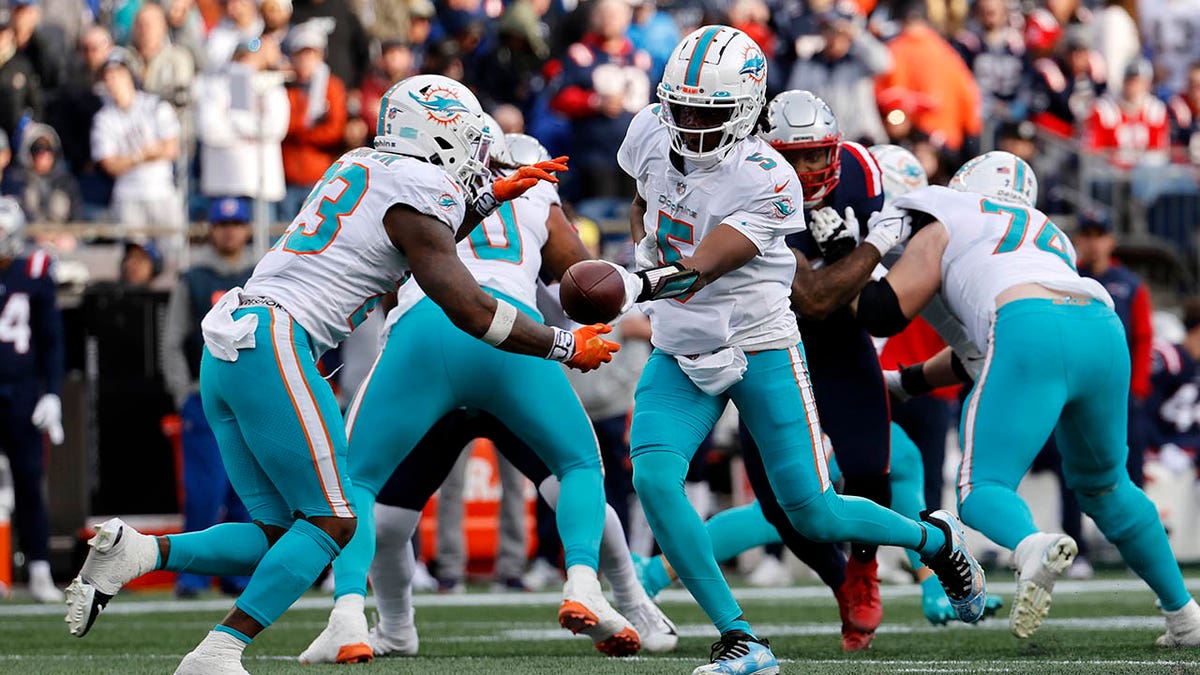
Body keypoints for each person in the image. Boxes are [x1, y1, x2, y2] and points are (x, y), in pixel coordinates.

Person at [64, 74, 617, 674]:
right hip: (276, 342)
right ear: (436, 137)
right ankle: (218, 653)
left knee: (282, 533)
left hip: (235, 341)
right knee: (333, 520)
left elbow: (407, 239)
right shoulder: (417, 186)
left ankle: (139, 553)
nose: (474, 159)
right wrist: (564, 344)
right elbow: (470, 307)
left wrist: (486, 201)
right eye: (465, 142)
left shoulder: (364, 164)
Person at [607, 26, 986, 675]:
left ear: (748, 111)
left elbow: (703, 264)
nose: (692, 124)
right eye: (683, 108)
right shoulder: (648, 128)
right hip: (681, 344)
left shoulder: (767, 176)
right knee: (652, 475)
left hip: (758, 343)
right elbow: (644, 196)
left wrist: (635, 278)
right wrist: (642, 237)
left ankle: (935, 538)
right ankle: (737, 636)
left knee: (811, 508)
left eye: (711, 112)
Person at [300, 131, 675, 662]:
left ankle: (368, 619)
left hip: (427, 333)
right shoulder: (537, 194)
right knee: (578, 471)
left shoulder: (422, 184)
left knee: (366, 493)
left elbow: (386, 284)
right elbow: (579, 282)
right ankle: (598, 586)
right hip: (511, 336)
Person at [862, 150, 1200, 646]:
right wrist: (908, 381)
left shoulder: (943, 208)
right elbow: (978, 349)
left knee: (981, 488)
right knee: (1107, 486)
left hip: (1029, 326)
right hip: (1102, 327)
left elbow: (886, 302)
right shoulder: (1047, 232)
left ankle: (1031, 545)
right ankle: (1185, 615)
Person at [161, 197, 258, 598]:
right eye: (222, 224)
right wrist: (183, 390)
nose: (229, 232)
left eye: (236, 225)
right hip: (207, 396)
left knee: (249, 492)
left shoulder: (260, 276)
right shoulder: (195, 278)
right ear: (212, 229)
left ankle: (238, 574)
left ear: (247, 229)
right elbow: (171, 340)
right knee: (205, 489)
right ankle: (194, 574)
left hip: (252, 397)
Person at [0, 197, 64, 604]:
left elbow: (52, 340)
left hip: (22, 391)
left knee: (28, 481)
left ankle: (39, 569)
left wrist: (53, 393)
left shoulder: (35, 271)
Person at [546, 0, 653, 200]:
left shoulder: (640, 57)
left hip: (635, 155)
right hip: (594, 155)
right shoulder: (580, 55)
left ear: (627, 18)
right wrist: (593, 101)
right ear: (594, 18)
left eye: (615, 15)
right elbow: (558, 99)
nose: (609, 20)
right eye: (604, 14)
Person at [90, 49, 184, 237]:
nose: (113, 80)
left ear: (130, 75)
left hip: (161, 190)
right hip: (127, 194)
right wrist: (143, 154)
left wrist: (128, 159)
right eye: (108, 76)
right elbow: (110, 164)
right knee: (134, 253)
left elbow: (171, 149)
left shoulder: (155, 106)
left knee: (172, 253)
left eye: (118, 74)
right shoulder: (103, 118)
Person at [195, 39, 289, 211]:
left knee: (266, 236)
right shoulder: (216, 87)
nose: (246, 63)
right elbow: (209, 131)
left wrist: (233, 120)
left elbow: (275, 129)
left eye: (251, 58)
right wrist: (253, 132)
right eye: (241, 58)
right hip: (223, 185)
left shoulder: (272, 88)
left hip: (263, 187)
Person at [785, 6, 891, 145]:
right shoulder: (808, 64)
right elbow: (794, 99)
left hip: (864, 140)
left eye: (839, 32)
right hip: (826, 142)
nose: (834, 37)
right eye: (829, 31)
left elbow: (884, 64)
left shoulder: (859, 61)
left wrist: (857, 34)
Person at [280, 23, 346, 219]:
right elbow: (282, 125)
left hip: (319, 173)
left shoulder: (332, 86)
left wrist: (300, 133)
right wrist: (306, 126)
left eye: (312, 53)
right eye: (301, 54)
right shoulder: (285, 86)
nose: (306, 60)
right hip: (289, 175)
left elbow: (335, 130)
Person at [1084, 59, 1169, 168]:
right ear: (1123, 81)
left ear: (1148, 85)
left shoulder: (1156, 111)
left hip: (1144, 176)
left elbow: (1159, 153)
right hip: (1110, 174)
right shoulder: (1104, 109)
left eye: (1139, 82)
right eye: (1131, 81)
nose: (1134, 87)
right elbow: (1093, 151)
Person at [6, 123, 82, 224]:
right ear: (27, 152)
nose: (44, 155)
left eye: (48, 149)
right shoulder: (15, 181)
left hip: (60, 236)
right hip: (27, 237)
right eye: (37, 149)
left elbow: (77, 217)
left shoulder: (67, 183)